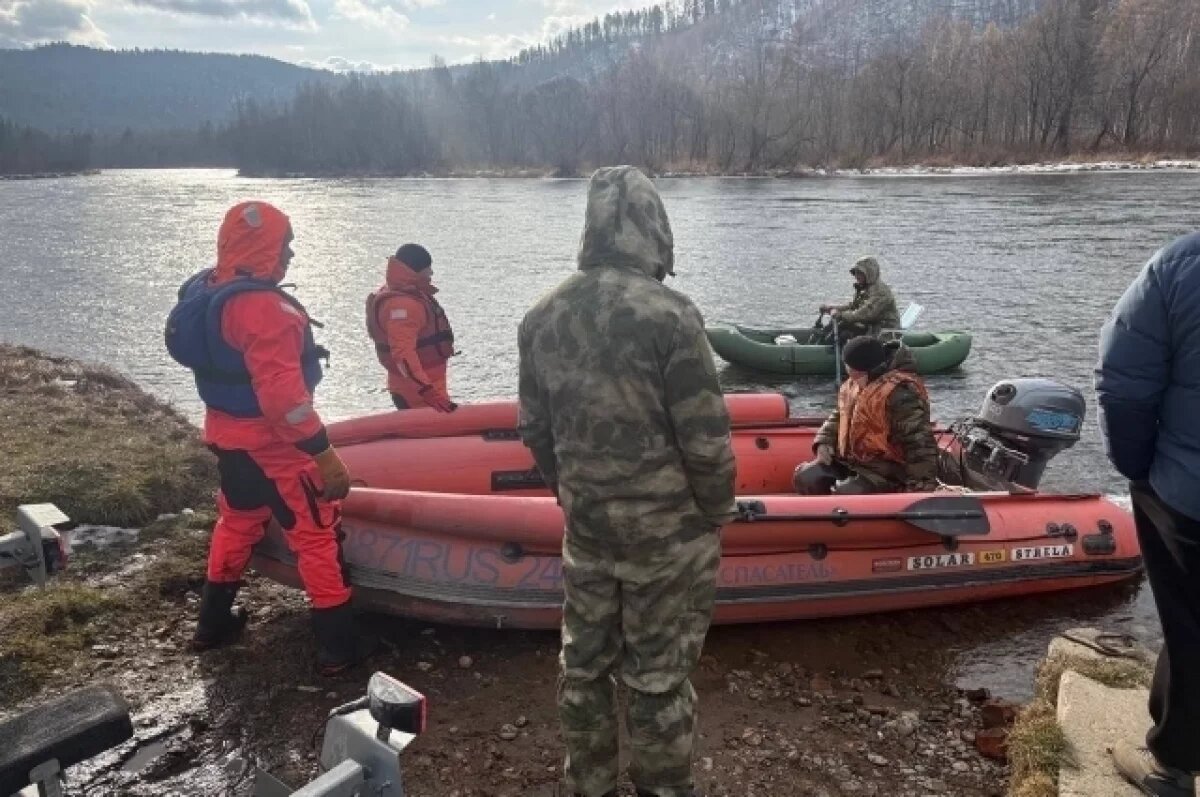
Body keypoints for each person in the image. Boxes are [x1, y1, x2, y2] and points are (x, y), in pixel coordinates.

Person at [518, 166, 736, 797]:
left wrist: (570, 491)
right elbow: (705, 437)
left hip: (587, 529)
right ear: (654, 228)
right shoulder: (671, 316)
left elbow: (534, 428)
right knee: (657, 675)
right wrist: (717, 511)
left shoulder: (543, 315)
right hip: (668, 539)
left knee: (582, 667)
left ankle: (588, 786)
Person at [165, 200, 371, 677]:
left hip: (226, 436)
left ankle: (212, 625)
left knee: (236, 523)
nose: (291, 255)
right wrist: (322, 452)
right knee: (315, 536)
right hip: (276, 447)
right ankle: (338, 649)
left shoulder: (204, 287)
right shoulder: (265, 309)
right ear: (265, 246)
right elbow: (285, 402)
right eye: (286, 245)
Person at [1097, 229, 1200, 797]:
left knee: (1190, 627)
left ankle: (1174, 768)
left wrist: (1137, 470)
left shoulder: (1179, 267)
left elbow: (1125, 386)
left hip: (1188, 494)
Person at [794, 336, 938, 495]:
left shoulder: (901, 394)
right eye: (849, 371)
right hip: (852, 462)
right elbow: (840, 415)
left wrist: (920, 486)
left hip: (888, 471)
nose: (851, 378)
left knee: (846, 493)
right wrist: (824, 440)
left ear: (872, 370)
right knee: (806, 477)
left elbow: (918, 442)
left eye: (855, 374)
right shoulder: (855, 384)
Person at [365, 243, 456, 412]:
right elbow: (403, 354)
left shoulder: (408, 292)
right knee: (434, 432)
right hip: (417, 391)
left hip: (427, 383)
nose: (431, 273)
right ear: (416, 270)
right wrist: (426, 389)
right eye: (428, 269)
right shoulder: (403, 306)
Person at [819, 255, 901, 339]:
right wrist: (832, 308)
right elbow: (853, 306)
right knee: (840, 324)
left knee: (845, 330)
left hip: (884, 332)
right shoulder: (864, 289)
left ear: (870, 273)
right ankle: (822, 341)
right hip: (870, 326)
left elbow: (866, 313)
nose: (856, 276)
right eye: (856, 273)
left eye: (860, 273)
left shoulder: (880, 291)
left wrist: (841, 315)